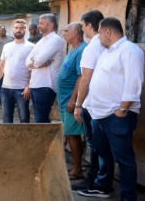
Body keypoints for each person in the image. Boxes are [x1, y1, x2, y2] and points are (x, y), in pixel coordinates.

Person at [77, 17, 144, 200]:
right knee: (103, 154)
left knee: (124, 159)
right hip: (99, 114)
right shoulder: (107, 52)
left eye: (99, 33)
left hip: (117, 115)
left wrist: (123, 109)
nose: (98, 37)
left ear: (107, 32)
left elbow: (134, 82)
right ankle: (103, 187)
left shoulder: (130, 50)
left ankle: (128, 197)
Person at [73, 10, 114, 192]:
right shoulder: (107, 45)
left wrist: (78, 104)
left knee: (96, 145)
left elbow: (85, 78)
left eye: (83, 26)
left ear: (90, 25)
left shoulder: (93, 46)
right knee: (100, 145)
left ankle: (96, 182)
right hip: (104, 103)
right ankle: (96, 181)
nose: (83, 30)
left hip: (93, 104)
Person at [57, 22, 87, 180]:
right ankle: (76, 167)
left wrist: (73, 100)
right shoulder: (73, 50)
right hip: (63, 101)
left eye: (66, 31)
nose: (64, 33)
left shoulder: (82, 50)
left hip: (70, 100)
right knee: (69, 135)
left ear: (75, 32)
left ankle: (77, 170)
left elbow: (81, 76)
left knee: (72, 135)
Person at [0, 19, 34, 123]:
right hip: (5, 89)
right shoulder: (7, 46)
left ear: (25, 30)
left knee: (24, 119)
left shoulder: (31, 47)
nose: (18, 30)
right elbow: (1, 66)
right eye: (16, 28)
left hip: (22, 89)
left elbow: (34, 70)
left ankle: (24, 139)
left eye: (21, 28)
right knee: (6, 119)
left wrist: (29, 87)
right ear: (13, 30)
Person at [25, 13, 65, 123]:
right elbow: (27, 60)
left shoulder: (56, 40)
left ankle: (46, 141)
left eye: (41, 23)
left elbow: (37, 60)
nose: (38, 26)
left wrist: (35, 63)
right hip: (36, 84)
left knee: (41, 121)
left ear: (50, 25)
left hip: (46, 86)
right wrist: (36, 63)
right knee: (39, 121)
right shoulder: (42, 40)